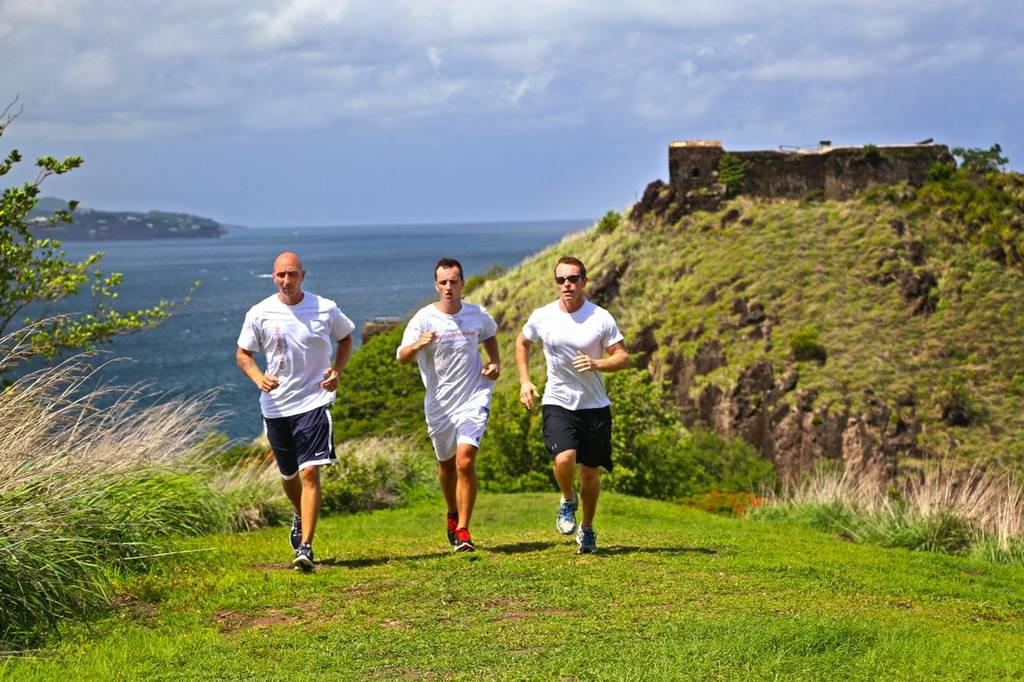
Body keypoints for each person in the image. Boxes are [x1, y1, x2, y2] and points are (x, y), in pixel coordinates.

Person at [236, 251, 354, 571]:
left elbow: (345, 339)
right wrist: (259, 378)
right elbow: (243, 354)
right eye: (280, 275)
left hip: (315, 402)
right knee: (289, 476)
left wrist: (337, 371)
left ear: (303, 275)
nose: (286, 281)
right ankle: (300, 515)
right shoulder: (260, 313)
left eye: (292, 274)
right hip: (276, 406)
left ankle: (306, 547)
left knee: (310, 472)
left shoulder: (325, 308)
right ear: (273, 277)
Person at [515, 256, 629, 554]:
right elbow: (521, 342)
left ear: (584, 282)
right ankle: (567, 499)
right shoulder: (543, 316)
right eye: (561, 280)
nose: (567, 285)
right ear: (556, 283)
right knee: (564, 459)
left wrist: (596, 363)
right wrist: (525, 381)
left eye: (573, 279)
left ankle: (588, 528)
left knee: (590, 473)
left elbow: (622, 357)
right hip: (557, 400)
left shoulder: (600, 317)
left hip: (594, 405)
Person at [397, 257, 500, 552]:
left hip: (474, 396)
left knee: (465, 460)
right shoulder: (424, 319)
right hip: (439, 404)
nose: (449, 287)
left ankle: (464, 530)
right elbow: (402, 356)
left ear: (463, 284)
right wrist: (417, 345)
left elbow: (490, 333)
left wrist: (495, 363)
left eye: (454, 281)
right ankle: (452, 512)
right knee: (446, 466)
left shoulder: (476, 314)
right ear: (436, 286)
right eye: (443, 282)